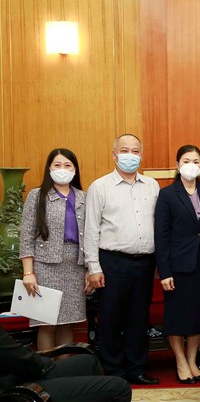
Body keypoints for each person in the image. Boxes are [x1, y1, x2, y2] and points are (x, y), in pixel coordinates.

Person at [84, 134, 160, 385]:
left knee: (139, 318)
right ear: (114, 155)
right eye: (124, 150)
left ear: (141, 155)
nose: (130, 155)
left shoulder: (152, 186)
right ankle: (114, 372)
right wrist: (93, 267)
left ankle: (137, 368)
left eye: (135, 151)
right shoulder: (100, 187)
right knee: (111, 318)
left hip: (145, 263)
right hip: (112, 262)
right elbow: (91, 229)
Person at [154, 145, 200, 384]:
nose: (191, 165)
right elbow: (161, 235)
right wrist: (164, 271)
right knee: (177, 316)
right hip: (177, 267)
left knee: (199, 315)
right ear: (177, 165)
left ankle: (193, 361)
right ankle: (180, 361)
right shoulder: (167, 194)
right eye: (186, 161)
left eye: (196, 161)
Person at [19, 148, 91, 351]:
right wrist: (28, 273)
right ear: (49, 169)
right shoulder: (37, 196)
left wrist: (89, 268)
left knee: (68, 322)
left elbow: (91, 235)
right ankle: (47, 368)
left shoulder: (84, 197)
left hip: (75, 266)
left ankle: (64, 368)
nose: (62, 169)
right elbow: (26, 235)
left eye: (68, 165)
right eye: (57, 165)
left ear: (75, 170)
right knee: (46, 323)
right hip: (45, 266)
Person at [0, 325, 131, 402]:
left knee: (89, 362)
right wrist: (43, 365)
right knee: (119, 387)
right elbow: (18, 356)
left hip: (15, 372)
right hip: (12, 390)